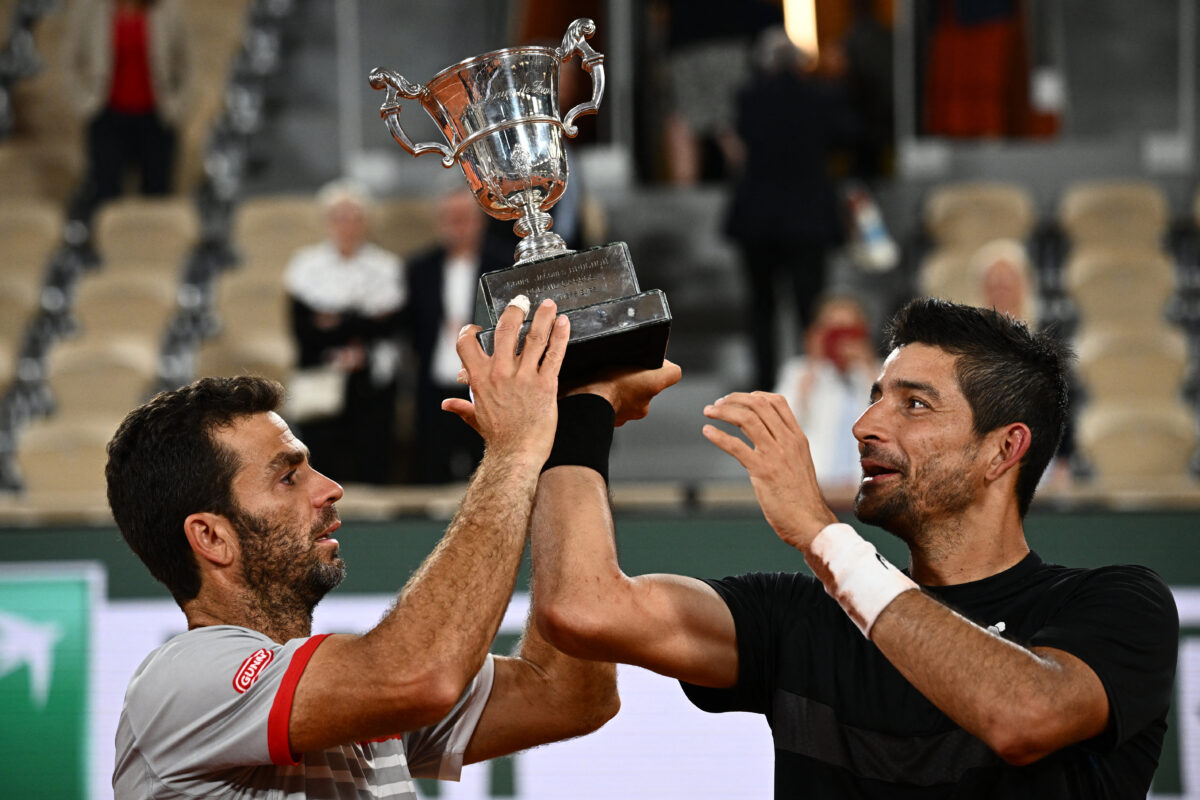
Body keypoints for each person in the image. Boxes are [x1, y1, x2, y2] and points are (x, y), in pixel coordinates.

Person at [530, 297, 1178, 797]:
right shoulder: (796, 619)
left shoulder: (1117, 605)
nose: (865, 427)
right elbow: (584, 607)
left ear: (1004, 450)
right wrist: (580, 411)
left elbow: (1024, 715)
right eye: (874, 400)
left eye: (915, 405)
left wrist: (821, 534)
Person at [105, 298, 620, 798]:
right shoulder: (180, 682)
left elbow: (568, 695)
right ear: (212, 537)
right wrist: (513, 451)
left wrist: (570, 430)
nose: (329, 488)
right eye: (288, 477)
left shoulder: (349, 689)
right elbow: (418, 673)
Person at [724, 27, 858, 391]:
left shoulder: (748, 97)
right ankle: (812, 381)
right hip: (808, 217)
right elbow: (848, 135)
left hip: (758, 217)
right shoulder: (821, 97)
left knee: (761, 307)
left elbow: (742, 139)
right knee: (810, 309)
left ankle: (764, 384)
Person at [285, 180, 404, 484]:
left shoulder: (386, 266)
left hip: (371, 383)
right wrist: (362, 321)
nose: (347, 225)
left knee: (372, 463)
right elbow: (305, 332)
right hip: (320, 380)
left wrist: (334, 322)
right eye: (339, 216)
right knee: (321, 466)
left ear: (367, 222)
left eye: (354, 217)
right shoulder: (305, 266)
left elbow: (390, 327)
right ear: (326, 221)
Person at [401, 186, 511, 484]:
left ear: (481, 221)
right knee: (430, 472)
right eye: (449, 218)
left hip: (487, 390)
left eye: (464, 218)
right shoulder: (420, 268)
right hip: (434, 387)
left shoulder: (503, 265)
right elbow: (409, 327)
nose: (457, 226)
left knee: (490, 479)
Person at [65, 0, 190, 224]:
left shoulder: (169, 9)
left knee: (157, 196)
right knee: (105, 196)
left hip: (157, 118)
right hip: (107, 116)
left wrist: (177, 106)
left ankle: (154, 254)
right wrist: (83, 102)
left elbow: (187, 63)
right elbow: (70, 58)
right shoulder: (89, 8)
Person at [773, 292, 878, 496]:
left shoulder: (881, 373)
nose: (842, 341)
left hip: (869, 489)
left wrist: (868, 367)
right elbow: (780, 426)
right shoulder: (798, 372)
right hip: (814, 488)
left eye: (849, 332)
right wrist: (813, 364)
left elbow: (894, 422)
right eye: (834, 332)